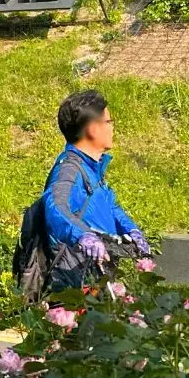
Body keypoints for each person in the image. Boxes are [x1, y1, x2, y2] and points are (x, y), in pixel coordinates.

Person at [43, 90, 150, 290]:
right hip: (73, 279)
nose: (113, 128)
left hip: (97, 273)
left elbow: (110, 207)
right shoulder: (70, 169)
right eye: (109, 122)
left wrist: (131, 229)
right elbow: (55, 206)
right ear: (92, 129)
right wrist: (83, 236)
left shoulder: (91, 170)